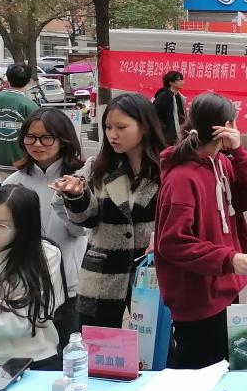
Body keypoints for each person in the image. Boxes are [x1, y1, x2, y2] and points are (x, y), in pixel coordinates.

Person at [153, 94, 247, 368]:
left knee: (222, 366)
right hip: (197, 297)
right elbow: (172, 242)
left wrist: (240, 153)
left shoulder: (221, 163)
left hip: (223, 285)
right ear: (228, 125)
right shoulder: (182, 177)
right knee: (201, 371)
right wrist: (227, 258)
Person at [52, 94, 166, 330]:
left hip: (151, 274)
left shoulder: (166, 169)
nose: (112, 134)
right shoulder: (97, 167)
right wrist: (76, 196)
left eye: (121, 127)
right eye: (108, 127)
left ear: (145, 127)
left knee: (154, 342)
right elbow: (87, 220)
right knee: (98, 343)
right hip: (101, 274)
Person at [6, 108, 86, 349]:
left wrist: (69, 200)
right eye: (30, 137)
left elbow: (79, 230)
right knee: (33, 353)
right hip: (26, 285)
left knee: (68, 350)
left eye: (46, 138)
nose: (37, 144)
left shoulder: (78, 179)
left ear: (63, 140)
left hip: (69, 284)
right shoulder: (14, 183)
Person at [0, 185, 65, 370]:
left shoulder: (46, 255)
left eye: (2, 226)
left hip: (33, 358)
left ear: (23, 229)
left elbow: (22, 321)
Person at [0, 63, 40, 182]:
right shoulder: (31, 106)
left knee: (6, 189)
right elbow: (38, 135)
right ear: (28, 81)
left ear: (8, 79)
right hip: (23, 162)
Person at [152, 70, 186, 146]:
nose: (182, 82)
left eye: (182, 80)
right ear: (171, 82)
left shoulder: (179, 97)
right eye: (179, 80)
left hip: (178, 136)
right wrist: (164, 130)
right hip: (167, 137)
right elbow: (154, 114)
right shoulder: (163, 96)